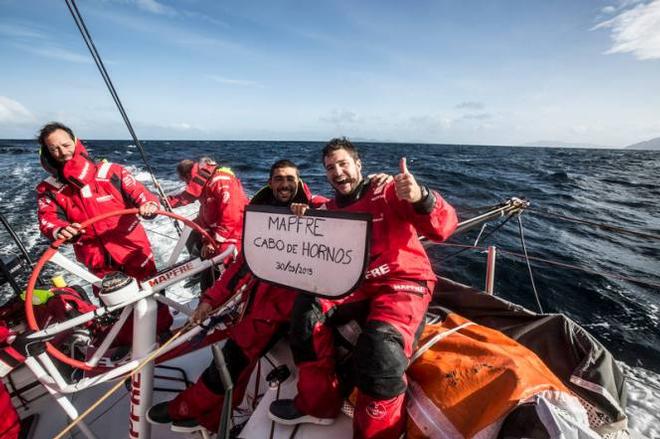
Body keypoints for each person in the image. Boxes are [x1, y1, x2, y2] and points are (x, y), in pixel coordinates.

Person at [268, 138, 458, 438]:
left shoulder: (389, 192)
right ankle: (318, 404)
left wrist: (421, 196)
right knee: (304, 314)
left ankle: (377, 432)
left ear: (359, 165)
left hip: (402, 281)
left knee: (379, 350)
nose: (337, 172)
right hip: (354, 283)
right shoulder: (329, 209)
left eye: (343, 164)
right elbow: (313, 224)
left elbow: (443, 228)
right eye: (330, 167)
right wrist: (300, 214)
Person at [147, 159, 327, 433]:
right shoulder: (262, 218)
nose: (284, 184)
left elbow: (353, 215)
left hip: (296, 307)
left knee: (237, 354)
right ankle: (210, 416)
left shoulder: (318, 208)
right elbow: (240, 266)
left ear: (300, 181)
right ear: (270, 183)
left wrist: (400, 194)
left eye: (290, 178)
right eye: (278, 178)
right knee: (236, 357)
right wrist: (209, 300)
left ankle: (188, 407)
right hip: (262, 303)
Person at [35, 122, 172, 344]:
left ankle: (163, 334)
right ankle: (128, 343)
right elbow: (47, 220)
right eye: (54, 149)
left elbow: (142, 194)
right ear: (46, 153)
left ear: (76, 141)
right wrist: (61, 229)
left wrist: (149, 206)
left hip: (132, 249)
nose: (62, 152)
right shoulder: (48, 189)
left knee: (151, 294)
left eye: (65, 145)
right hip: (96, 260)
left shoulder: (112, 172)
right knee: (113, 305)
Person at [169, 157, 248, 290]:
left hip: (233, 234)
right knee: (191, 231)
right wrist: (162, 202)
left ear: (188, 175)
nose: (187, 184)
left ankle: (222, 294)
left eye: (185, 181)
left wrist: (214, 241)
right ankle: (199, 271)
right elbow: (189, 197)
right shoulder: (204, 180)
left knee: (215, 274)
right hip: (214, 228)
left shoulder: (220, 181)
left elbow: (232, 215)